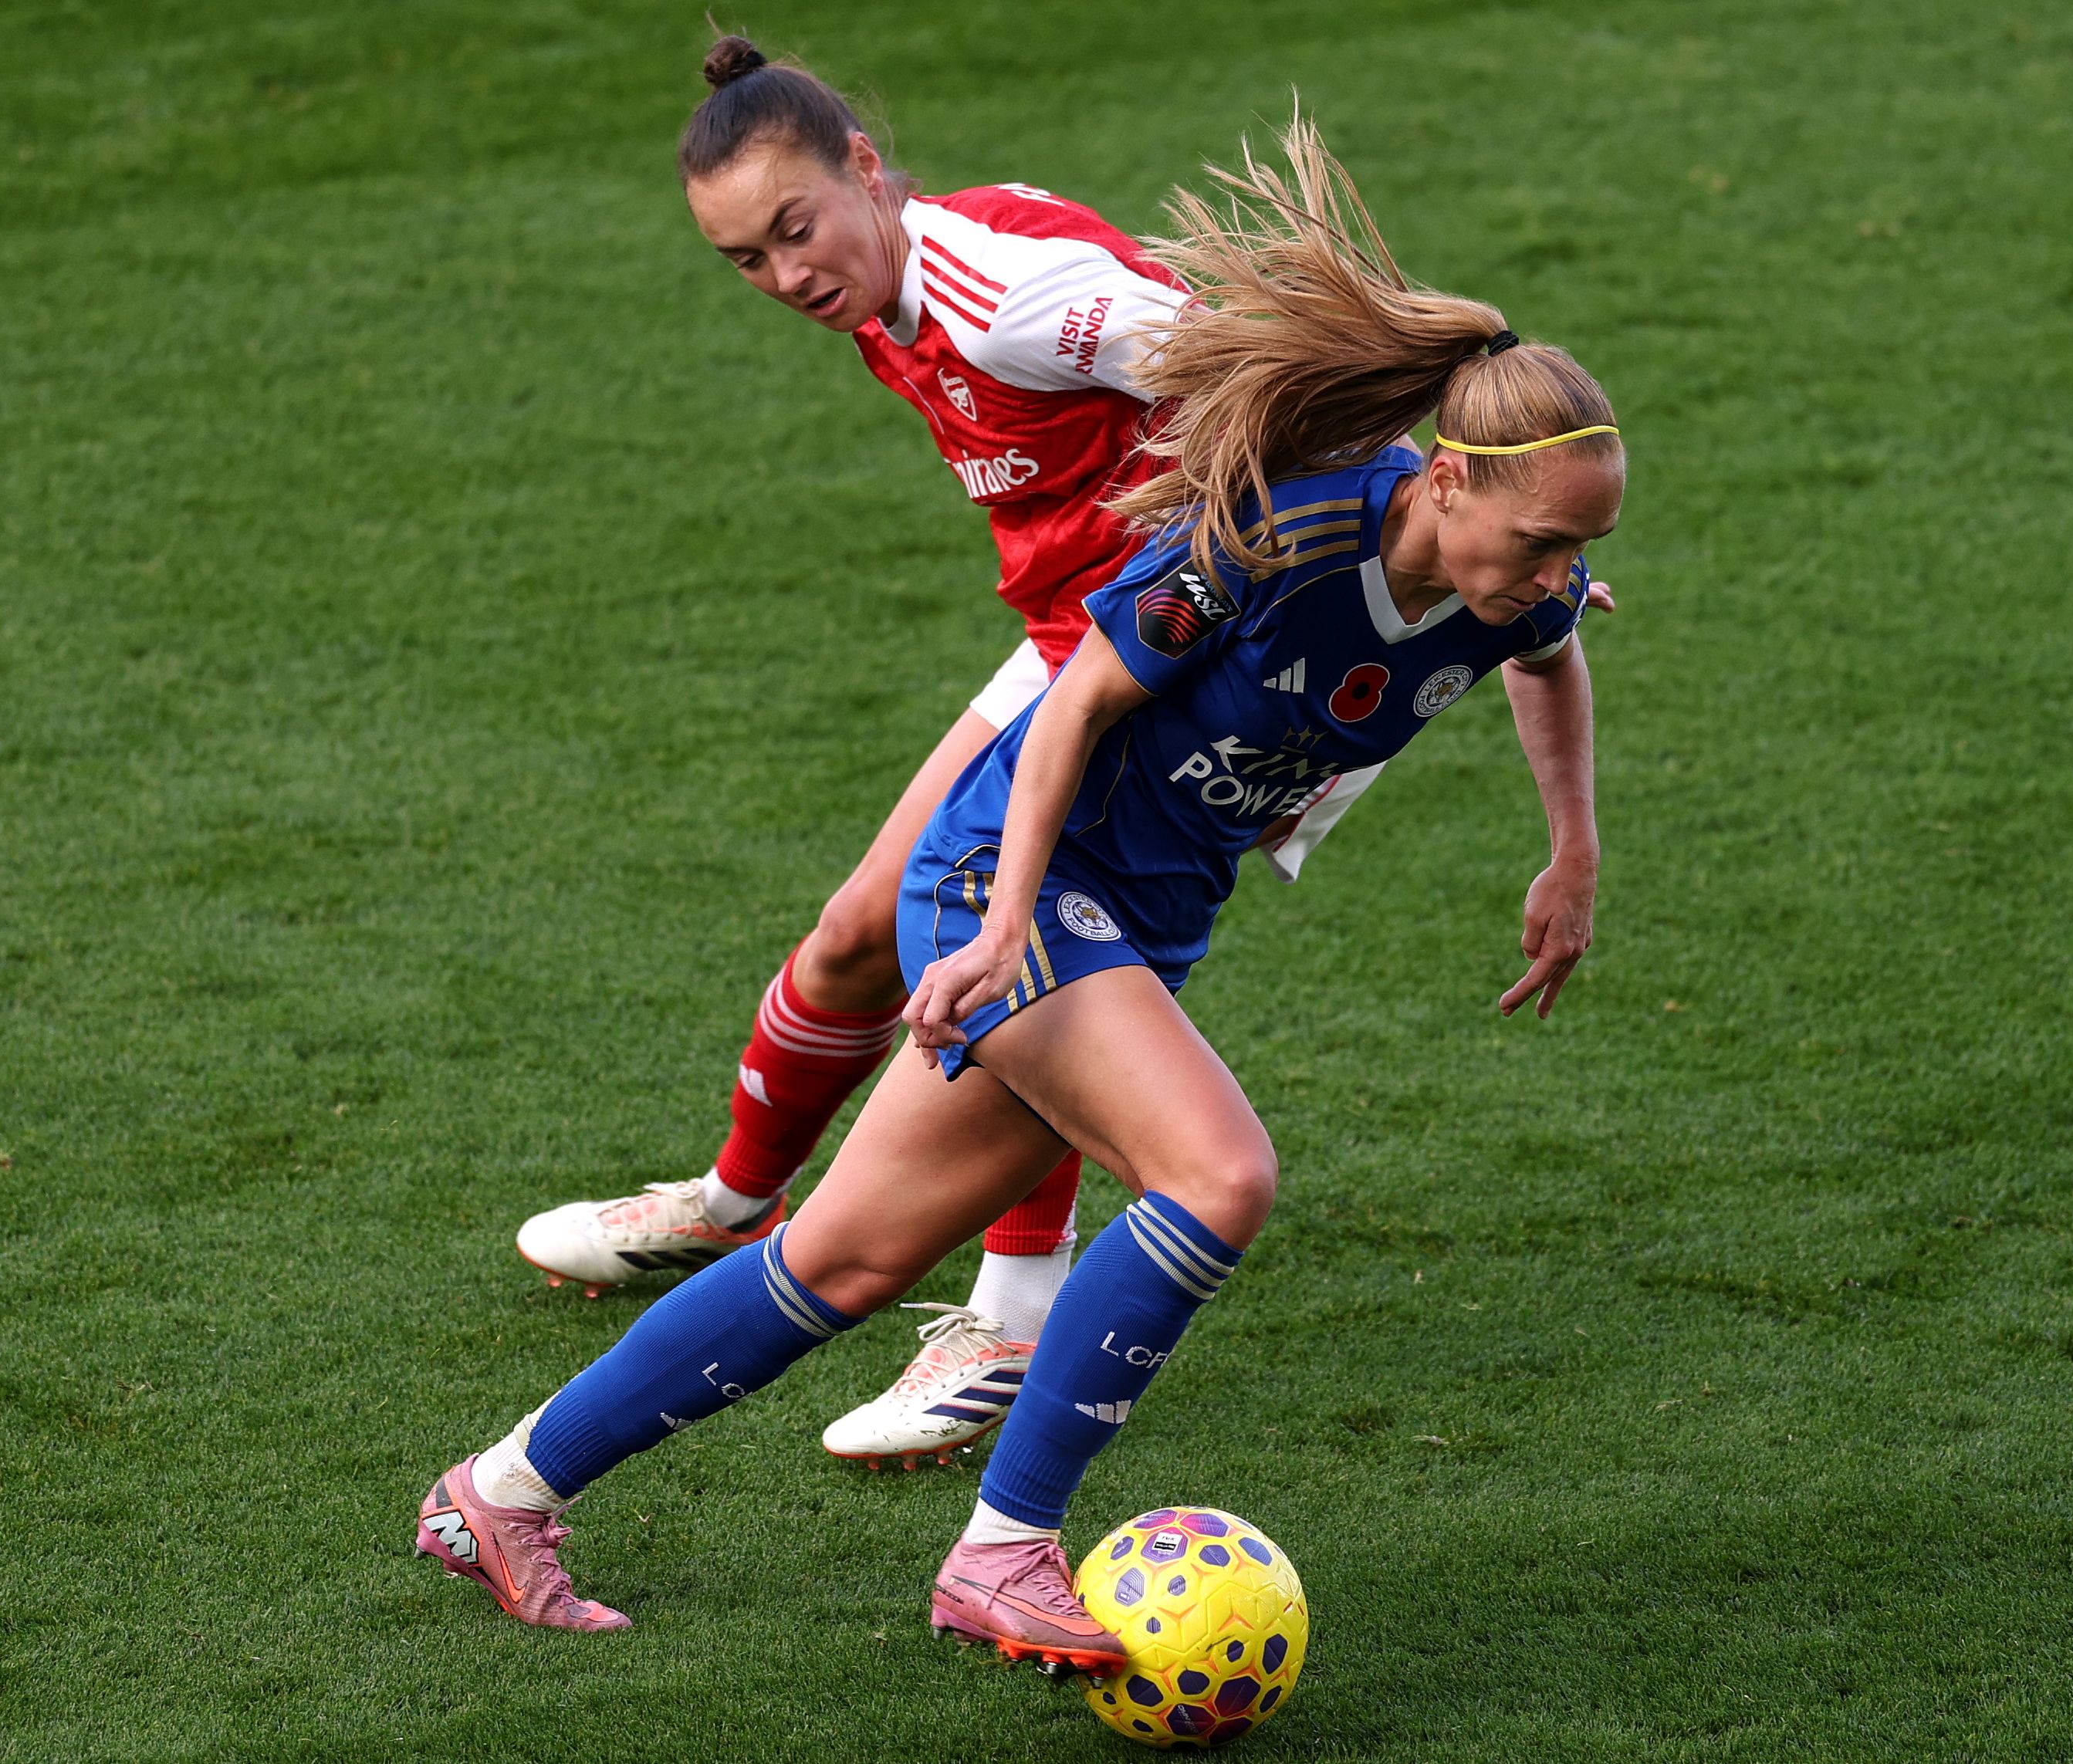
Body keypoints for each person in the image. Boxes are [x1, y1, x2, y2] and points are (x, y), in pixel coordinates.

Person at [416, 119, 1622, 1646]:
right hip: (1019, 885)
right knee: (1220, 1176)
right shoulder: (1284, 537)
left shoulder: (1510, 583)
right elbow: (1067, 712)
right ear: (1445, 481)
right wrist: (997, 927)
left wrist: (1571, 849)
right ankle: (1002, 1550)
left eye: (1579, 546)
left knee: (840, 1260)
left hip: (1141, 917)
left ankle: (497, 1492)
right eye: (1542, 540)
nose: (1558, 572)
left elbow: (1551, 656)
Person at [509, 35, 1443, 1469]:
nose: (785, 275)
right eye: (746, 259)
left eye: (796, 228)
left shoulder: (1003, 302)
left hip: (1154, 655)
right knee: (860, 938)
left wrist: (1446, 524)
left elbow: (1263, 366)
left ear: (866, 169)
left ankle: (1005, 1311)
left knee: (1020, 939)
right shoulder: (892, 292)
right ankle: (739, 1205)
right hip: (1074, 628)